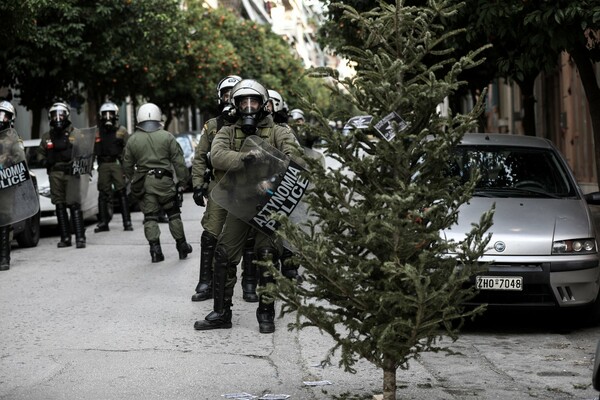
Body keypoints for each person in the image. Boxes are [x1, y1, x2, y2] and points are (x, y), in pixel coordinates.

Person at [194, 79, 300, 334]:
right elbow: (217, 156)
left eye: (254, 101)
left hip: (268, 205)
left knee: (266, 257)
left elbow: (295, 156)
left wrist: (268, 163)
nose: (249, 107)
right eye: (244, 102)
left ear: (264, 105)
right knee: (223, 255)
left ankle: (266, 314)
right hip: (238, 203)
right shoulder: (227, 131)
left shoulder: (279, 131)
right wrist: (245, 158)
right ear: (236, 105)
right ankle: (221, 313)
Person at [191, 75, 257, 302]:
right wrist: (198, 185)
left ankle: (250, 283)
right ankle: (206, 282)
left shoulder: (254, 122)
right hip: (219, 186)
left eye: (234, 94)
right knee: (210, 234)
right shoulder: (213, 125)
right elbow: (200, 157)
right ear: (220, 97)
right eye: (226, 94)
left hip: (247, 187)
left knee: (248, 236)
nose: (229, 98)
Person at [122, 103, 192, 263]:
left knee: (150, 218)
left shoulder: (133, 140)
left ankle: (155, 251)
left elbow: (126, 165)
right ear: (158, 116)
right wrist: (183, 181)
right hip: (166, 183)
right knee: (173, 215)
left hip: (145, 184)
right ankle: (182, 247)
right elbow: (179, 162)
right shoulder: (167, 137)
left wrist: (133, 178)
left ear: (139, 118)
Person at [38, 102, 88, 249]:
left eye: (61, 114)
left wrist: (78, 165)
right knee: (59, 205)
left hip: (71, 173)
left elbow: (85, 152)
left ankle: (80, 237)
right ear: (50, 117)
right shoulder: (47, 136)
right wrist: (44, 161)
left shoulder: (75, 133)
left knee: (74, 205)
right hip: (55, 174)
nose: (58, 118)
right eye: (54, 115)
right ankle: (65, 237)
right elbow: (40, 153)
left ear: (67, 116)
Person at [93, 102, 133, 233]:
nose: (108, 117)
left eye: (110, 114)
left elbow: (128, 149)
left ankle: (127, 222)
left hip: (116, 163)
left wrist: (127, 166)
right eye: (105, 114)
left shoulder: (122, 131)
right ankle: (103, 222)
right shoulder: (97, 132)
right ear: (101, 116)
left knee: (121, 192)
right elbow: (91, 150)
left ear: (116, 115)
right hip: (103, 164)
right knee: (103, 193)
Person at [0, 101, 19, 269]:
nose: (1, 118)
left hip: (5, 182)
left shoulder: (12, 138)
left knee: (4, 219)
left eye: (4, 115)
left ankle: (4, 258)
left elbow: (21, 160)